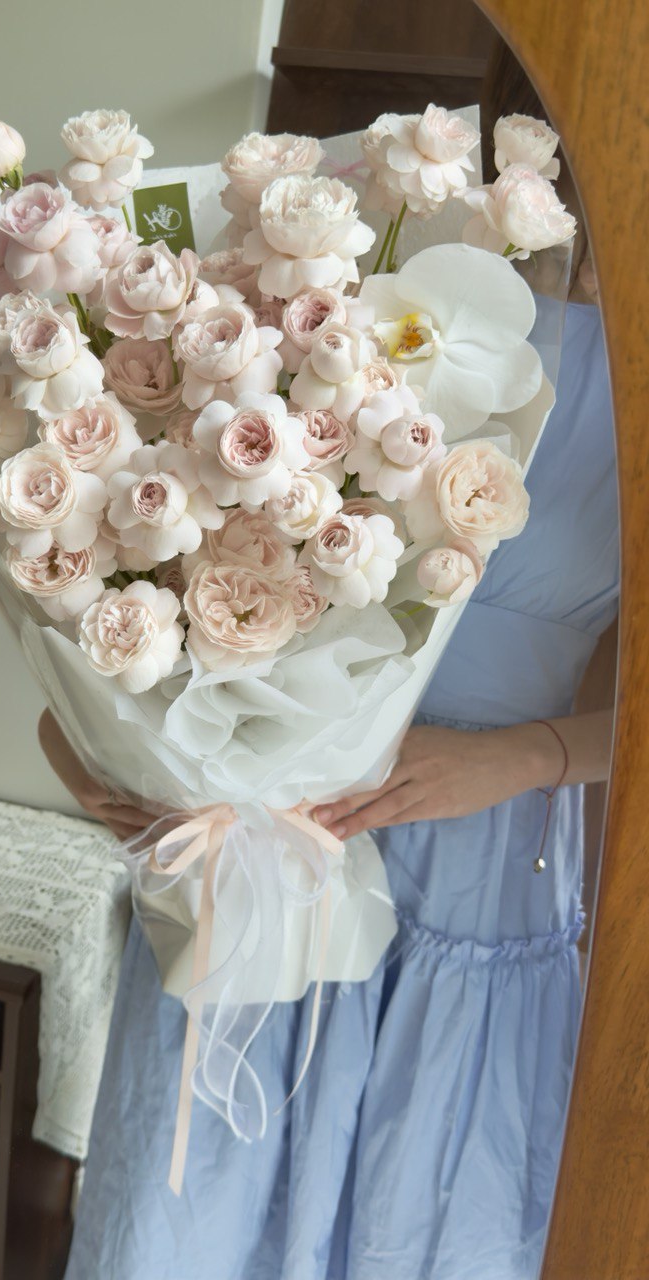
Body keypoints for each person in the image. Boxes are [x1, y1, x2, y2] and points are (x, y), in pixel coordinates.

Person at [39, 66, 618, 1280]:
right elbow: (127, 573)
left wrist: (519, 756)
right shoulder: (367, 288)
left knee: (419, 1230)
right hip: (266, 848)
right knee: (191, 1230)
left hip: (485, 883)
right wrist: (115, 758)